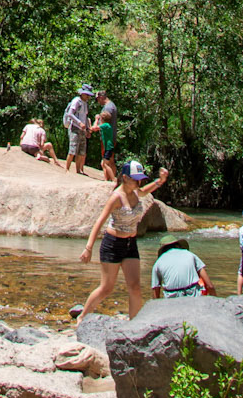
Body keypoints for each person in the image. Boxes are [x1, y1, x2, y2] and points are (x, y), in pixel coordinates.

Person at [79, 159, 172, 319]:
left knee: (135, 287)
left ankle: (133, 323)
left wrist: (160, 181)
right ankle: (83, 316)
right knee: (106, 288)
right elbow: (99, 222)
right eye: (136, 179)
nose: (138, 182)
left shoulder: (135, 192)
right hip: (113, 245)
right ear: (125, 177)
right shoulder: (116, 197)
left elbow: (144, 191)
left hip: (130, 244)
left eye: (140, 180)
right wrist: (88, 248)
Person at [151, 234, 209, 300]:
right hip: (193, 295)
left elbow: (155, 290)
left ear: (163, 250)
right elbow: (210, 285)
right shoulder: (190, 255)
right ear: (178, 245)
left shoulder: (158, 262)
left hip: (171, 298)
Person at [63, 84, 94, 177]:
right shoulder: (76, 101)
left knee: (81, 151)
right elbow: (70, 113)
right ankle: (67, 169)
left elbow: (85, 117)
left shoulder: (85, 103)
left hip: (82, 129)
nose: (88, 97)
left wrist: (87, 129)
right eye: (86, 94)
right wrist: (79, 122)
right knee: (73, 149)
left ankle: (78, 170)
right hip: (75, 127)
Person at [92, 91, 119, 184]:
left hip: (108, 139)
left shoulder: (108, 108)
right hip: (110, 138)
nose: (98, 102)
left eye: (98, 99)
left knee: (106, 161)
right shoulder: (112, 105)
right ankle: (110, 179)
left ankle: (108, 180)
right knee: (110, 160)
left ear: (101, 97)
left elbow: (99, 125)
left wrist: (96, 120)